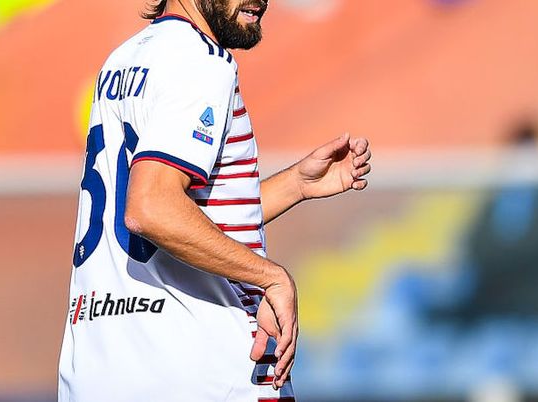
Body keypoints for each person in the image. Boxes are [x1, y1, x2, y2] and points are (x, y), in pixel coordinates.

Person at [57, 0, 372, 400]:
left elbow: (176, 214)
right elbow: (151, 207)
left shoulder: (122, 61)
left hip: (100, 364)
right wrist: (270, 277)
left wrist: (296, 184)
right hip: (197, 367)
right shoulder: (202, 62)